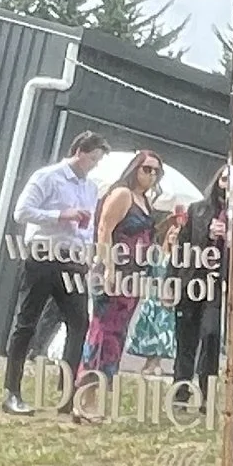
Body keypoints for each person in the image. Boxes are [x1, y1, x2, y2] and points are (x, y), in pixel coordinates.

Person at [0, 130, 107, 414]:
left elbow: (89, 225)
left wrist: (90, 254)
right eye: (93, 159)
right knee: (27, 322)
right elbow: (21, 212)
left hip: (74, 260)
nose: (94, 165)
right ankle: (12, 391)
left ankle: (66, 394)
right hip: (43, 255)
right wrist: (60, 215)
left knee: (79, 322)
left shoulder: (91, 188)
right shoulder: (47, 177)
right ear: (79, 152)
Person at [72, 152, 165, 419]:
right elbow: (104, 229)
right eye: (147, 169)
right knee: (101, 335)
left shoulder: (145, 201)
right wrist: (109, 267)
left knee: (116, 337)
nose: (151, 175)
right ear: (135, 168)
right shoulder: (122, 194)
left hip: (134, 278)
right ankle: (83, 400)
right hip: (115, 274)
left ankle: (96, 399)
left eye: (156, 171)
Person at [172, 162, 233, 412]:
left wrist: (229, 236)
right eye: (224, 179)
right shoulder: (197, 210)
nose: (227, 185)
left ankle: (207, 396)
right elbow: (181, 250)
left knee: (210, 337)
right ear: (217, 181)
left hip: (218, 285)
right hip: (191, 281)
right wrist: (171, 281)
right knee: (185, 339)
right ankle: (180, 393)